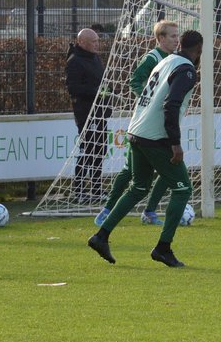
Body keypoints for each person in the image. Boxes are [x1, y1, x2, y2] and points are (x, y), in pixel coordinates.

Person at [87, 29, 203, 268]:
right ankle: (163, 248)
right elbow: (171, 105)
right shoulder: (186, 70)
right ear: (199, 49)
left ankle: (101, 236)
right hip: (155, 136)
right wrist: (175, 143)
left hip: (136, 130)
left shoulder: (166, 61)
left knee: (138, 187)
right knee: (182, 189)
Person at [94, 20, 179, 226]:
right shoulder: (152, 58)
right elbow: (135, 81)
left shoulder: (175, 59)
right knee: (130, 170)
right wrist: (149, 101)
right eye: (173, 36)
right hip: (146, 122)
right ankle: (107, 210)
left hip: (163, 120)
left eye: (178, 36)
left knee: (170, 165)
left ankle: (149, 211)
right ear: (160, 38)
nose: (177, 40)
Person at [66, 27, 108, 203]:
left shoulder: (95, 58)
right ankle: (79, 191)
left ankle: (97, 189)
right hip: (85, 113)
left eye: (97, 41)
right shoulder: (74, 61)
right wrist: (95, 91)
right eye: (93, 42)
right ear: (81, 42)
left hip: (100, 111)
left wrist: (107, 93)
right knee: (87, 150)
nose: (97, 44)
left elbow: (101, 83)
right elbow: (73, 88)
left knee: (100, 149)